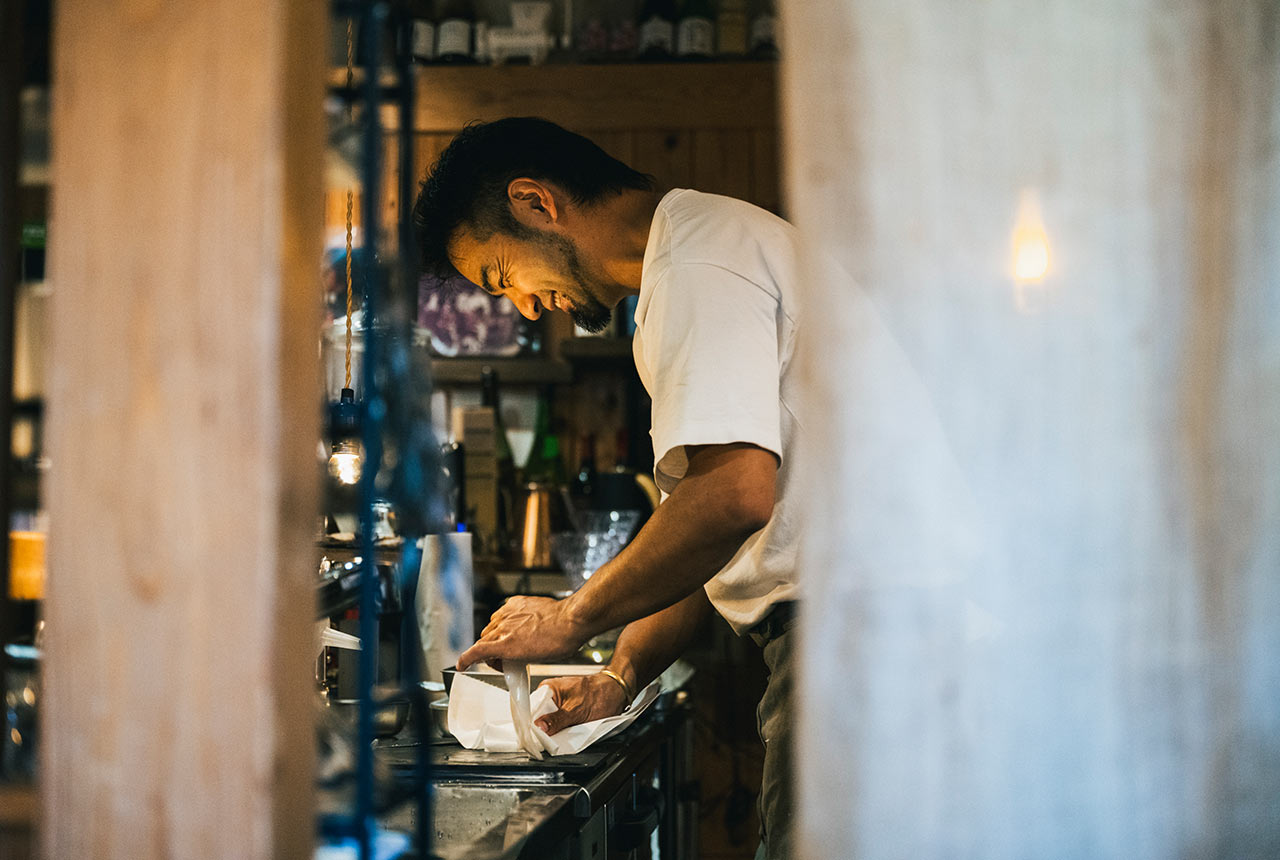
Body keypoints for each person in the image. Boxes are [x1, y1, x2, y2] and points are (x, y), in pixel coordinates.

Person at [413, 117, 804, 859]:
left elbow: (733, 497)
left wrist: (570, 618)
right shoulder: (702, 250)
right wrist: (620, 676)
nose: (526, 307)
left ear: (535, 202)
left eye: (503, 277)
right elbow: (709, 529)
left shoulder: (699, 265)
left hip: (858, 637)